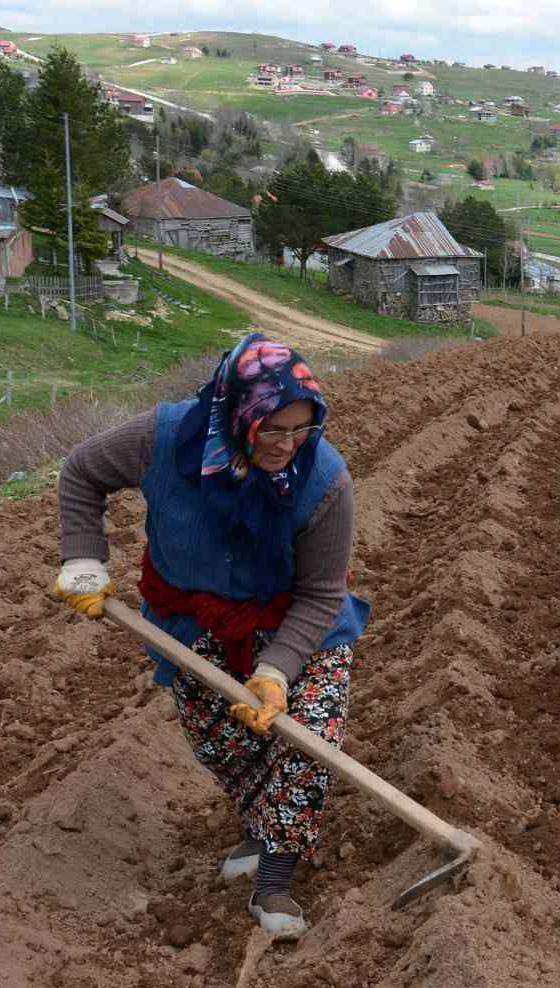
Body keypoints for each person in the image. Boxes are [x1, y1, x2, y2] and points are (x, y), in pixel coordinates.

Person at [50, 333, 369, 937]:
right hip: (192, 616)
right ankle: (257, 827)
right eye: (272, 429)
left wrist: (275, 671)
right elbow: (81, 473)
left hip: (298, 622)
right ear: (239, 412)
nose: (286, 445)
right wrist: (84, 558)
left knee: (307, 740)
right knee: (223, 743)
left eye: (301, 430)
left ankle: (274, 881)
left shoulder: (324, 478)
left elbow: (322, 592)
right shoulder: (164, 438)